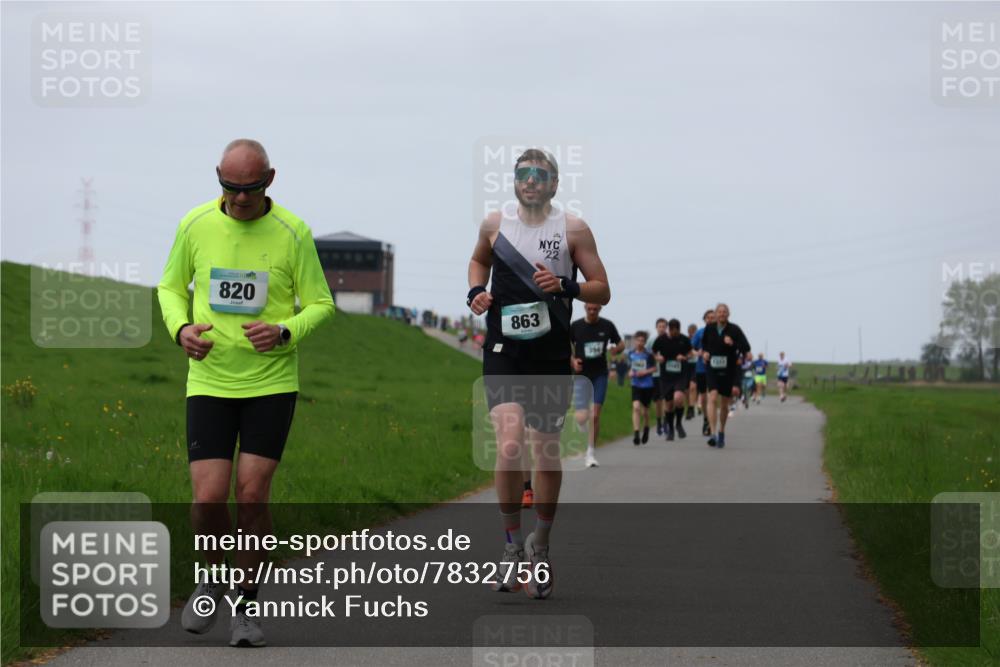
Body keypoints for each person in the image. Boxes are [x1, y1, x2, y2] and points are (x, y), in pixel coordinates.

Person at [159, 139, 335, 647]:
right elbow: (170, 287)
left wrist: (284, 331)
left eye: (249, 189)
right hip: (210, 381)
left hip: (271, 383)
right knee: (208, 499)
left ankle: (246, 608)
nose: (238, 198)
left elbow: (320, 303)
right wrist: (180, 329)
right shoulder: (195, 224)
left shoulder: (292, 232)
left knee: (252, 496)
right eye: (229, 187)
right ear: (218, 177)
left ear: (270, 180)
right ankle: (213, 575)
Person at [467, 148, 610, 600]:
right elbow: (478, 263)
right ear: (513, 181)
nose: (530, 180)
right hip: (504, 349)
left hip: (549, 355)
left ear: (554, 183)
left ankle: (540, 546)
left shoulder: (572, 228)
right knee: (509, 443)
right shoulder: (495, 224)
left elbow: (602, 290)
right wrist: (475, 291)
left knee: (545, 454)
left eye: (540, 175)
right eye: (523, 173)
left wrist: (566, 285)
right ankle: (511, 547)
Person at [571, 303, 624, 468]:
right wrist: (572, 361)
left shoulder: (607, 326)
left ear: (600, 309)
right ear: (585, 307)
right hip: (581, 375)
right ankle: (582, 427)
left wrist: (616, 350)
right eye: (589, 309)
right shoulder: (576, 326)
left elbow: (620, 343)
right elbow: (565, 346)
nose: (592, 311)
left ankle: (590, 453)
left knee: (594, 415)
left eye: (595, 309)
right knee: (581, 417)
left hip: (600, 374)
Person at [701, 303, 751, 449]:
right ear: (715, 314)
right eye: (719, 312)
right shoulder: (709, 328)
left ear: (728, 314)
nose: (722, 314)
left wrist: (732, 343)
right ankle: (713, 433)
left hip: (729, 369)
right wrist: (704, 353)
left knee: (724, 403)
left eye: (724, 312)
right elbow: (704, 346)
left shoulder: (735, 329)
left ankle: (721, 431)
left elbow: (746, 348)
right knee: (712, 396)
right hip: (712, 368)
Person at [652, 318, 692, 441]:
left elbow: (691, 353)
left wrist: (684, 356)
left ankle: (679, 423)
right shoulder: (661, 339)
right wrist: (658, 357)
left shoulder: (684, 339)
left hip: (681, 375)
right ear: (669, 329)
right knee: (668, 405)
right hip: (666, 376)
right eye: (673, 331)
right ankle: (670, 429)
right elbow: (653, 352)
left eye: (677, 331)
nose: (675, 333)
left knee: (678, 398)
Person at [628, 331, 657, 445]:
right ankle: (636, 433)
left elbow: (654, 368)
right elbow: (630, 367)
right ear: (635, 341)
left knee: (645, 411)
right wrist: (630, 372)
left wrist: (645, 372)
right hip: (635, 384)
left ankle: (646, 428)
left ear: (645, 342)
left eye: (642, 341)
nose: (640, 343)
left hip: (647, 385)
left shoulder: (648, 355)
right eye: (638, 340)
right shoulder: (631, 354)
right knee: (635, 407)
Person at [690, 309, 715, 436]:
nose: (710, 319)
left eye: (713, 317)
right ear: (704, 319)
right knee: (704, 397)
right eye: (708, 317)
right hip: (701, 369)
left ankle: (712, 423)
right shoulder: (699, 333)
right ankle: (706, 419)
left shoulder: (719, 333)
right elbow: (690, 349)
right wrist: (697, 353)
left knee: (713, 396)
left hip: (715, 369)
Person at [651, 318, 668, 435]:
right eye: (659, 326)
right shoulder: (651, 340)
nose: (661, 328)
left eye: (663, 326)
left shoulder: (670, 340)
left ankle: (666, 422)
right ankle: (659, 422)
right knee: (657, 401)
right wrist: (655, 358)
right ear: (656, 328)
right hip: (654, 374)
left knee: (666, 399)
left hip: (666, 374)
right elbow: (646, 353)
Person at [685, 323, 699, 420]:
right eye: (691, 333)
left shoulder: (698, 341)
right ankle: (689, 405)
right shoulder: (685, 341)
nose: (692, 334)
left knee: (693, 387)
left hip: (695, 365)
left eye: (694, 332)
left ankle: (691, 408)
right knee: (686, 390)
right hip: (685, 365)